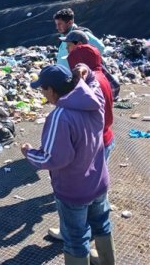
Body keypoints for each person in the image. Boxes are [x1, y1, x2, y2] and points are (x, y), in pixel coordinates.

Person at [21, 65, 115, 265]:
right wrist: (86, 73)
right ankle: (107, 261)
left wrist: (28, 152)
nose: (43, 94)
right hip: (99, 182)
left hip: (74, 191)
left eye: (43, 89)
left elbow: (52, 158)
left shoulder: (60, 117)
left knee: (76, 239)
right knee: (101, 224)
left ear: (51, 90)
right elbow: (94, 83)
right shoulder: (95, 101)